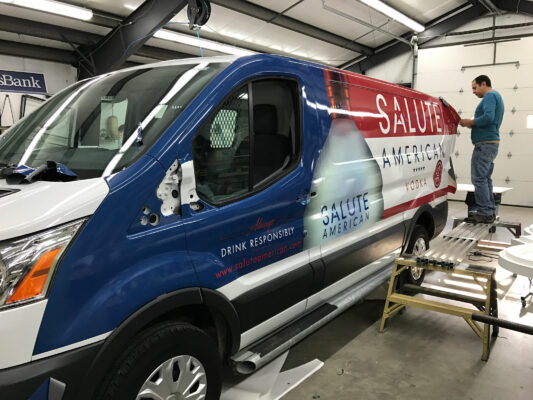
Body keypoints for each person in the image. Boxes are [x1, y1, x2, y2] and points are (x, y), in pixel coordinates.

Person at [460, 75, 504, 224]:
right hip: (490, 143)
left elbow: (488, 117)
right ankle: (489, 211)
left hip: (485, 144)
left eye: (475, 87)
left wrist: (470, 122)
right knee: (485, 178)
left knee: (479, 179)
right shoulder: (495, 96)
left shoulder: (490, 96)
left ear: (483, 84)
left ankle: (485, 213)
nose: (473, 91)